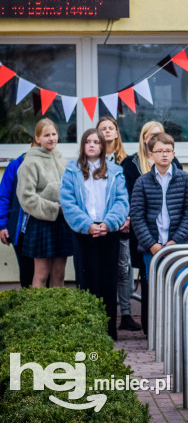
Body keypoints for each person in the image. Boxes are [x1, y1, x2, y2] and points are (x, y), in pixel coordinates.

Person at [59, 129, 130, 339]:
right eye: (88, 142)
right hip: (84, 232)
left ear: (102, 146)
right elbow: (68, 202)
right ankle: (89, 331)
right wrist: (86, 225)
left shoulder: (115, 171)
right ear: (82, 145)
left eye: (96, 142)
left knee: (108, 281)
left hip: (108, 231)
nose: (91, 145)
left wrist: (108, 223)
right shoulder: (71, 170)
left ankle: (108, 330)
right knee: (87, 280)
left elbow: (121, 201)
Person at [129, 132, 188, 337]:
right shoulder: (142, 182)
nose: (164, 155)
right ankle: (161, 334)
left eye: (168, 151)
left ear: (174, 153)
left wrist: (175, 241)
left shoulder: (186, 180)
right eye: (159, 151)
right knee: (158, 292)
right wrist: (152, 244)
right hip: (153, 249)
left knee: (182, 289)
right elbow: (137, 216)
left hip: (179, 247)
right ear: (151, 155)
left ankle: (182, 332)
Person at [17, 119, 71, 288]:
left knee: (59, 273)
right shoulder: (30, 162)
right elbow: (26, 197)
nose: (51, 138)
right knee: (41, 273)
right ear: (37, 138)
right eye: (46, 135)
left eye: (54, 134)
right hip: (42, 223)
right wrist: (54, 208)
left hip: (62, 222)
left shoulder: (63, 161)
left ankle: (57, 312)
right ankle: (39, 312)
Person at [97, 116, 140, 331]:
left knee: (123, 269)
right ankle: (103, 314)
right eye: (102, 128)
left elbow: (131, 193)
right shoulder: (92, 160)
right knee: (102, 269)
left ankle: (125, 314)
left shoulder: (127, 161)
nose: (106, 132)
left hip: (122, 223)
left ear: (116, 133)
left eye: (110, 128)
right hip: (99, 225)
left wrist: (128, 217)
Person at [0, 143, 32, 288]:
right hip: (21, 230)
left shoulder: (52, 164)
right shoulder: (15, 165)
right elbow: (4, 197)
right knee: (26, 272)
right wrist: (3, 225)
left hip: (44, 229)